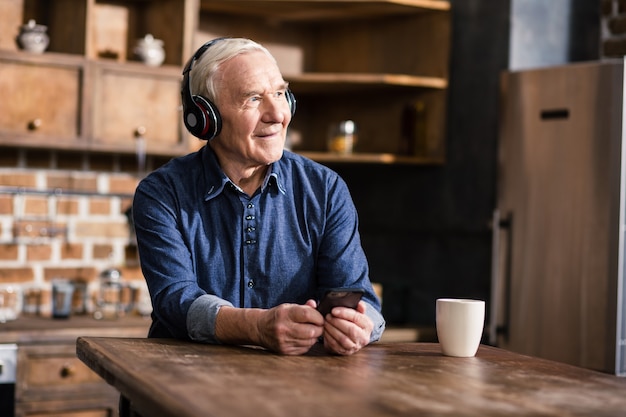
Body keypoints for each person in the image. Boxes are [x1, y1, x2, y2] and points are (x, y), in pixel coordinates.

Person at [132, 37, 385, 356]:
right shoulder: (162, 194)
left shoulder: (326, 189)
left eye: (280, 93)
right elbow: (175, 300)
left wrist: (359, 325)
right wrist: (254, 327)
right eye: (253, 99)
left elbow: (362, 301)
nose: (277, 114)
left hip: (296, 393)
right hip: (183, 384)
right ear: (205, 117)